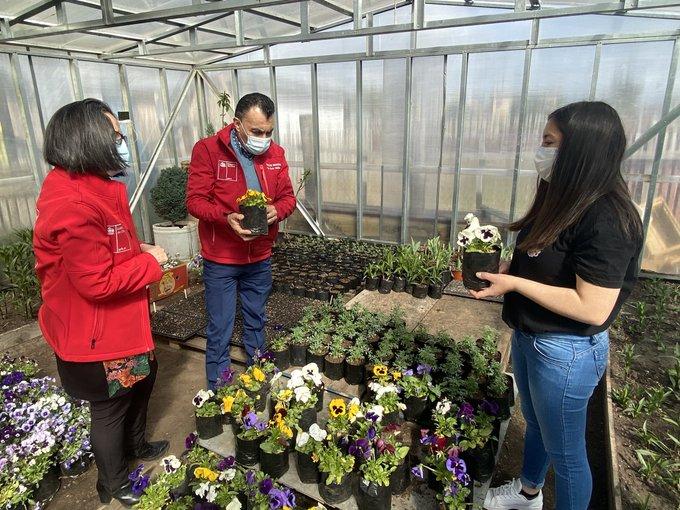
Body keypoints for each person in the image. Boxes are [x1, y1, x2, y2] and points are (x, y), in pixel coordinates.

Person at [472, 101, 643, 510]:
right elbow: (542, 259)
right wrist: (507, 267)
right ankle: (529, 493)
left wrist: (512, 283)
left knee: (567, 458)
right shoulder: (562, 200)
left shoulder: (606, 217)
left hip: (566, 353)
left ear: (580, 150)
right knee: (537, 426)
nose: (540, 151)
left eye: (549, 142)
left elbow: (592, 307)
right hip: (533, 339)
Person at [33, 99, 170, 507]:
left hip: (119, 325)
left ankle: (135, 446)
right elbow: (96, 282)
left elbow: (106, 248)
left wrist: (136, 247)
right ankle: (113, 483)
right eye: (115, 136)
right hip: (96, 337)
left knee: (144, 378)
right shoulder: (73, 205)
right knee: (111, 406)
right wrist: (150, 264)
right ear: (88, 140)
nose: (122, 143)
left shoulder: (93, 189)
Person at [187, 92, 296, 391]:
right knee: (220, 326)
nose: (264, 138)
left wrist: (278, 210)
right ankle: (219, 390)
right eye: (257, 131)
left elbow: (288, 197)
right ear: (237, 124)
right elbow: (195, 201)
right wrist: (226, 218)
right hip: (221, 258)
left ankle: (256, 374)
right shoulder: (208, 150)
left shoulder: (276, 154)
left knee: (256, 319)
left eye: (269, 132)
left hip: (259, 255)